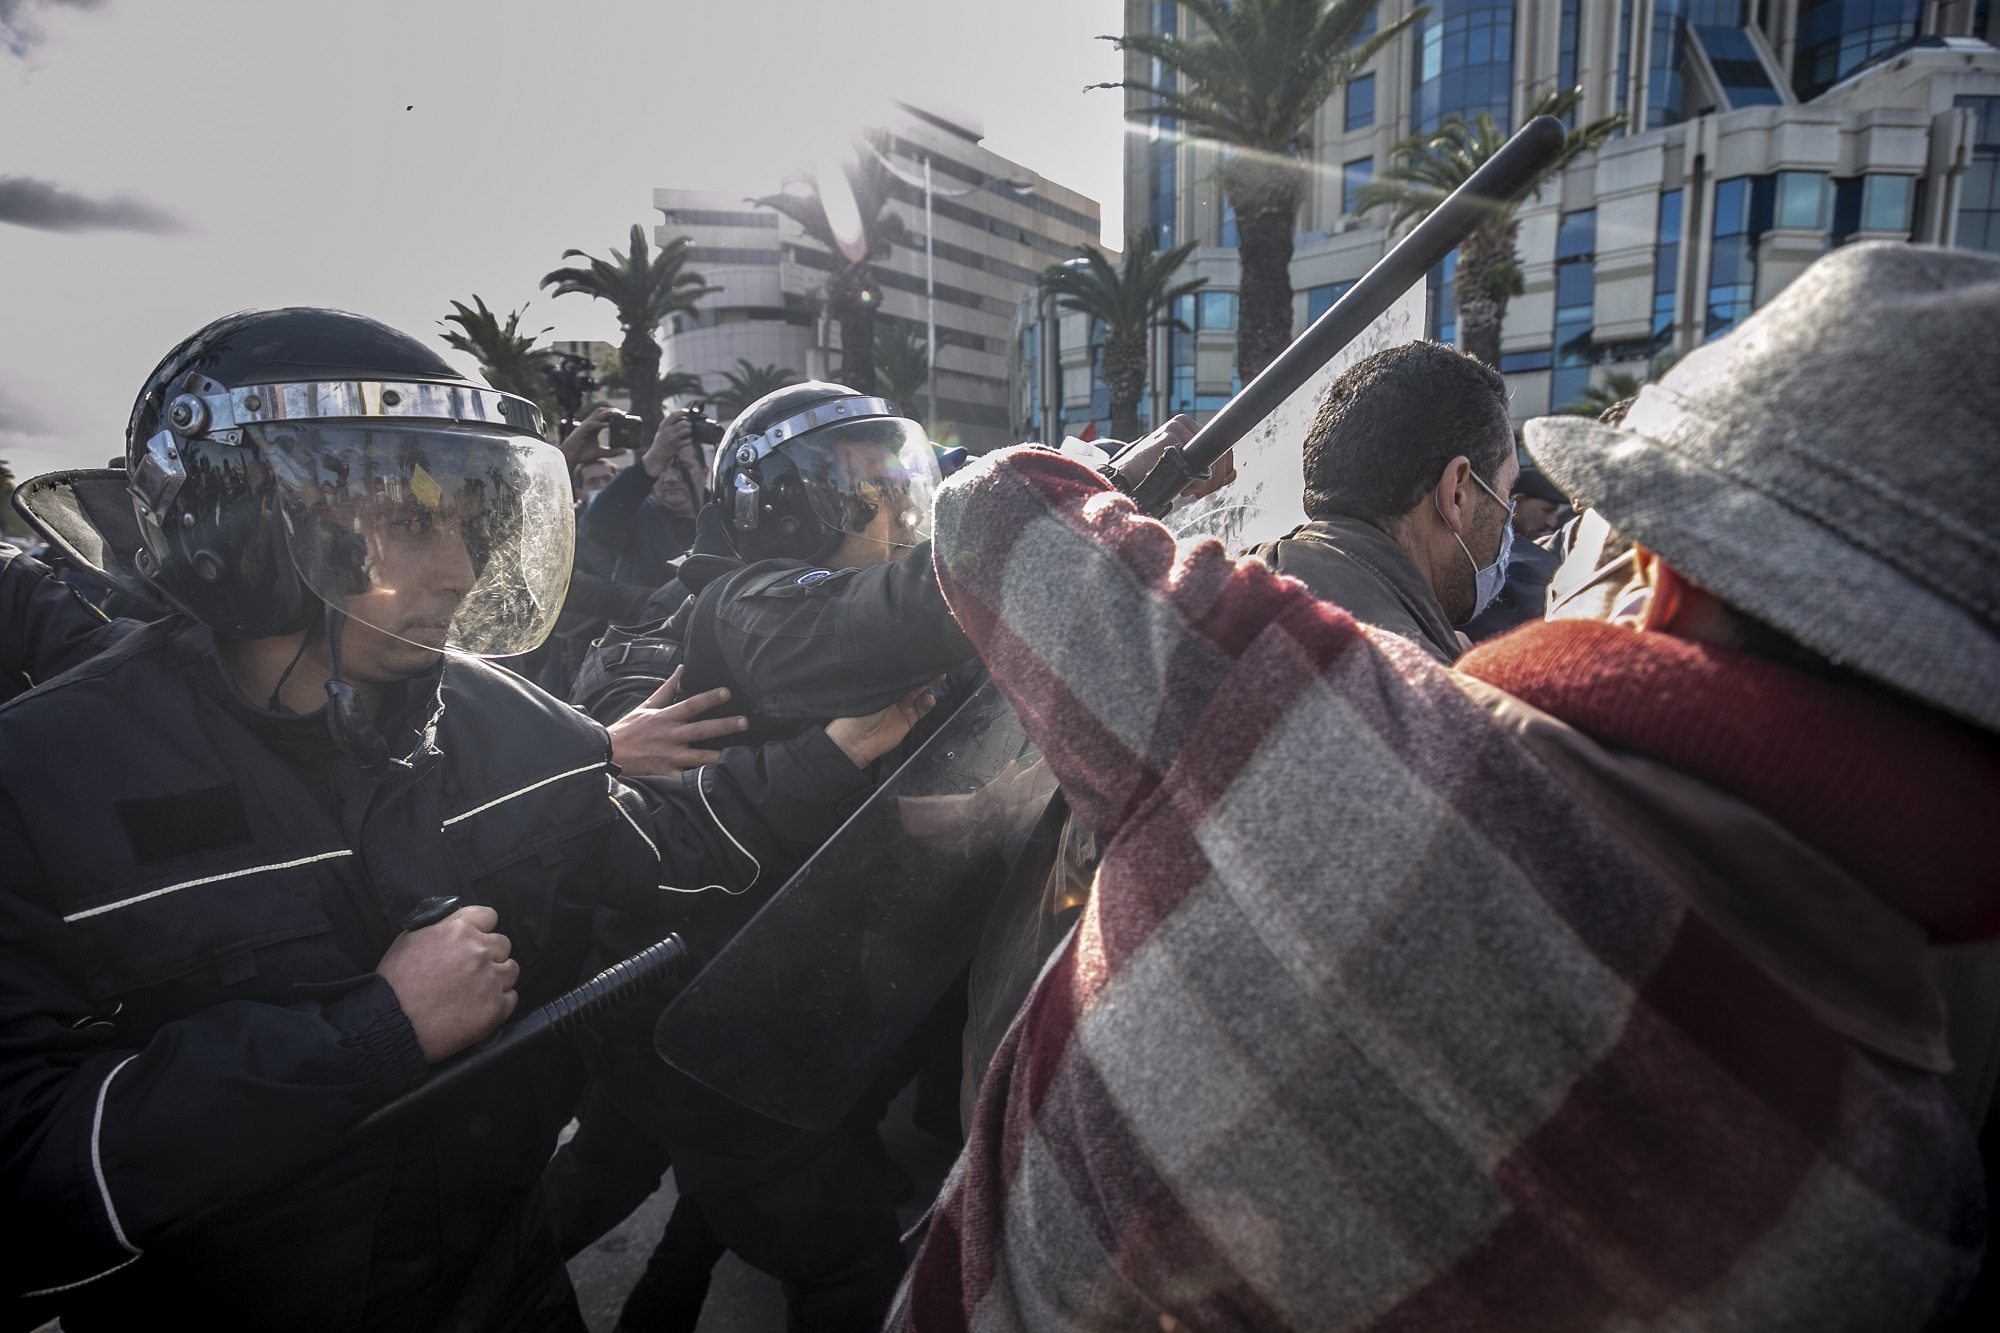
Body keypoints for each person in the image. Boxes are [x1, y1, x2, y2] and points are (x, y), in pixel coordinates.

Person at [888, 242, 2000, 1330]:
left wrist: (1131, 480)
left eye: (1591, 526)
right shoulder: (1909, 1213)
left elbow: (989, 510)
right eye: (1527, 506)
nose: (1548, 551)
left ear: (1660, 582)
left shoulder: (1302, 716)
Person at [0, 308, 931, 1332]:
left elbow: (657, 857)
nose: (461, 569)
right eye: (410, 522)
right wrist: (370, 1035)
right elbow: (27, 1171)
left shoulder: (496, 715)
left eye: (468, 524)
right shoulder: (45, 779)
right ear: (244, 524)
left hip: (507, 1286)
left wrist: (823, 758)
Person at [1249, 340, 1518, 665]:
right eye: (1506, 492)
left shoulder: (1210, 585)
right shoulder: (1419, 688)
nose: (1508, 516)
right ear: (1456, 493)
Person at [579, 410, 707, 587]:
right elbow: (594, 526)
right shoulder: (640, 517)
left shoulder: (723, 516)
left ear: (705, 472)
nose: (670, 478)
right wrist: (654, 457)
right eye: (662, 467)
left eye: (682, 467)